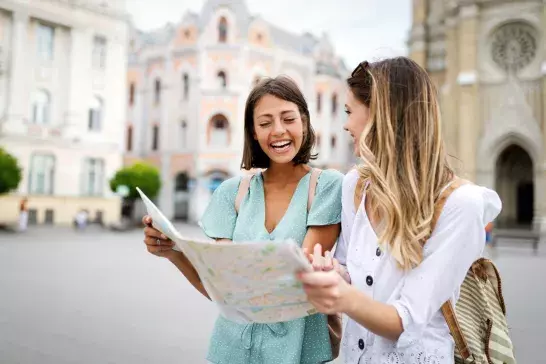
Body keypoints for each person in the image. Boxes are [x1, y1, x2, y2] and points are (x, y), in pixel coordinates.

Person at [297, 57, 502, 363]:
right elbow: (352, 273)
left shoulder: (461, 204)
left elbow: (405, 322)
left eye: (350, 112)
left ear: (383, 115)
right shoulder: (355, 185)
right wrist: (332, 272)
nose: (345, 124)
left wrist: (339, 294)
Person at [142, 76, 343, 364]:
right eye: (264, 123)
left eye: (288, 119)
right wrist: (172, 252)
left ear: (304, 121)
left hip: (297, 353)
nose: (278, 131)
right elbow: (225, 292)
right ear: (253, 132)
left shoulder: (328, 186)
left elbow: (297, 283)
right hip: (231, 350)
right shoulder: (230, 192)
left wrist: (238, 279)